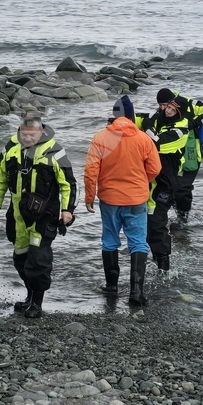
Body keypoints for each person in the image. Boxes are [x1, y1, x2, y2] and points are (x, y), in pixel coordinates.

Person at [0, 111, 77, 318]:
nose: (27, 139)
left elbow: (69, 184)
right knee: (20, 258)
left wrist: (67, 210)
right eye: (24, 134)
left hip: (45, 215)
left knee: (38, 260)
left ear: (41, 131)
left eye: (32, 135)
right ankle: (29, 295)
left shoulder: (56, 152)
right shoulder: (10, 148)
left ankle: (37, 303)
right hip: (18, 213)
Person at [84, 95, 161, 306]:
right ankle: (136, 293)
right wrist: (141, 183)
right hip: (136, 199)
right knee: (138, 242)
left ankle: (111, 287)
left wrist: (89, 196)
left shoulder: (100, 138)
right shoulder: (144, 139)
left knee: (109, 240)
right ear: (132, 116)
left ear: (114, 116)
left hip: (109, 199)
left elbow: (91, 171)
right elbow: (155, 169)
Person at [142, 93, 193, 273]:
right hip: (150, 180)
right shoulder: (159, 119)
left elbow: (156, 143)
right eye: (168, 107)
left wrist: (147, 126)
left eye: (173, 109)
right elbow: (139, 119)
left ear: (180, 113)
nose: (168, 111)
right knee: (147, 223)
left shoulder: (181, 132)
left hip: (165, 183)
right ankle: (156, 260)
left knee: (156, 222)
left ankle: (164, 269)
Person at [155, 88, 203, 226]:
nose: (164, 109)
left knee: (183, 189)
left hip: (191, 153)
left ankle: (183, 219)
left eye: (166, 105)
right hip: (172, 154)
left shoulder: (189, 104)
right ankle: (174, 217)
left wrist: (194, 123)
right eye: (161, 106)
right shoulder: (163, 113)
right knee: (169, 186)